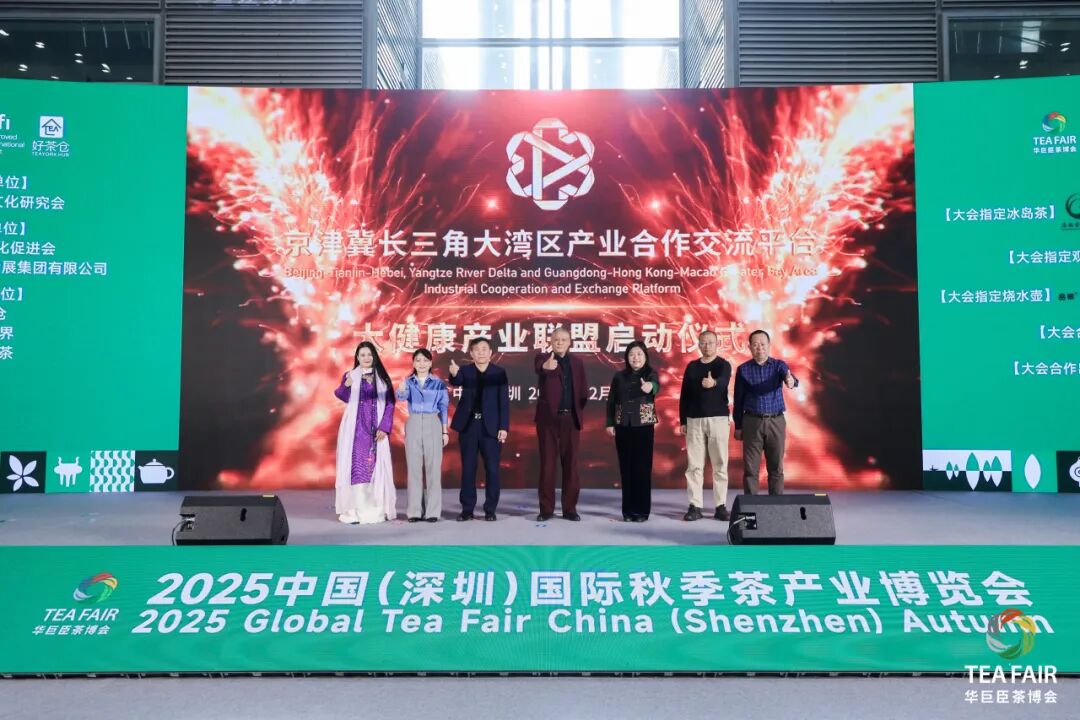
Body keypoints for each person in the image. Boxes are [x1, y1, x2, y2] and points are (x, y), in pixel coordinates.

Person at [334, 341, 397, 524]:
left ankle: (375, 510)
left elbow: (390, 403)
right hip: (355, 430)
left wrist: (384, 427)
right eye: (362, 355)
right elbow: (342, 395)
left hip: (376, 430)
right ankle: (355, 511)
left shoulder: (382, 378)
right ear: (357, 357)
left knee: (374, 467)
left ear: (374, 356)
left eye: (369, 354)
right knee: (357, 468)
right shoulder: (350, 375)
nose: (366, 358)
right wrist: (346, 385)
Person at [448, 337, 510, 521]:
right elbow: (457, 381)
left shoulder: (499, 372)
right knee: (468, 469)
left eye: (484, 349)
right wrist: (454, 374)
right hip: (469, 426)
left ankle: (490, 510)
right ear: (471, 353)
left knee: (492, 469)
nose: (481, 353)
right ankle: (467, 510)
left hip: (491, 428)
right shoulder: (465, 371)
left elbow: (503, 402)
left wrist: (503, 427)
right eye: (477, 349)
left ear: (490, 353)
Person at [733, 330, 799, 495]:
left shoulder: (779, 366)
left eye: (763, 344)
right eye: (755, 345)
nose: (759, 348)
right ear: (749, 347)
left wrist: (791, 381)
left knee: (776, 468)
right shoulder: (743, 370)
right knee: (750, 469)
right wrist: (738, 426)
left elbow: (790, 378)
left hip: (776, 421)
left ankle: (776, 505)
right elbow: (738, 400)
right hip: (751, 422)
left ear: (769, 345)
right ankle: (751, 505)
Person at [534, 328, 589, 522]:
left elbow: (583, 391)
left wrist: (575, 411)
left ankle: (570, 509)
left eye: (564, 339)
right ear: (551, 341)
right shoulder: (542, 358)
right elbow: (540, 368)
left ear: (569, 342)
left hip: (570, 419)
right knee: (547, 466)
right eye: (556, 339)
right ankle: (546, 510)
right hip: (547, 421)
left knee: (571, 466)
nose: (560, 342)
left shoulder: (577, 362)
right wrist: (547, 366)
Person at [678, 330, 733, 521]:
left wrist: (713, 382)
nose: (707, 346)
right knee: (694, 465)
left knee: (720, 464)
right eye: (703, 342)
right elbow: (684, 394)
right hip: (694, 420)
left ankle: (720, 506)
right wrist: (683, 420)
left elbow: (724, 381)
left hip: (718, 419)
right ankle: (695, 506)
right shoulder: (692, 366)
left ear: (717, 344)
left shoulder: (723, 364)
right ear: (699, 345)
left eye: (710, 342)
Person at [605, 341, 659, 522]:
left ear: (645, 357)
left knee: (642, 469)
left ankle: (642, 511)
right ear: (627, 357)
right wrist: (610, 423)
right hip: (623, 426)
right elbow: (611, 400)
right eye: (632, 354)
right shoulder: (619, 376)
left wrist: (650, 386)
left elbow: (655, 385)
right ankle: (628, 511)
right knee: (626, 469)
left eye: (639, 354)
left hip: (644, 426)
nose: (636, 358)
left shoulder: (650, 373)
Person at [397, 349, 449, 523]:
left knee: (433, 468)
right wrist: (401, 389)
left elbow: (443, 407)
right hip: (413, 422)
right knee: (413, 468)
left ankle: (433, 511)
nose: (421, 364)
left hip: (432, 422)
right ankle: (414, 511)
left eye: (425, 360)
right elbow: (401, 397)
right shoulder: (408, 382)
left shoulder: (438, 383)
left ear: (430, 363)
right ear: (413, 363)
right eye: (418, 360)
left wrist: (445, 431)